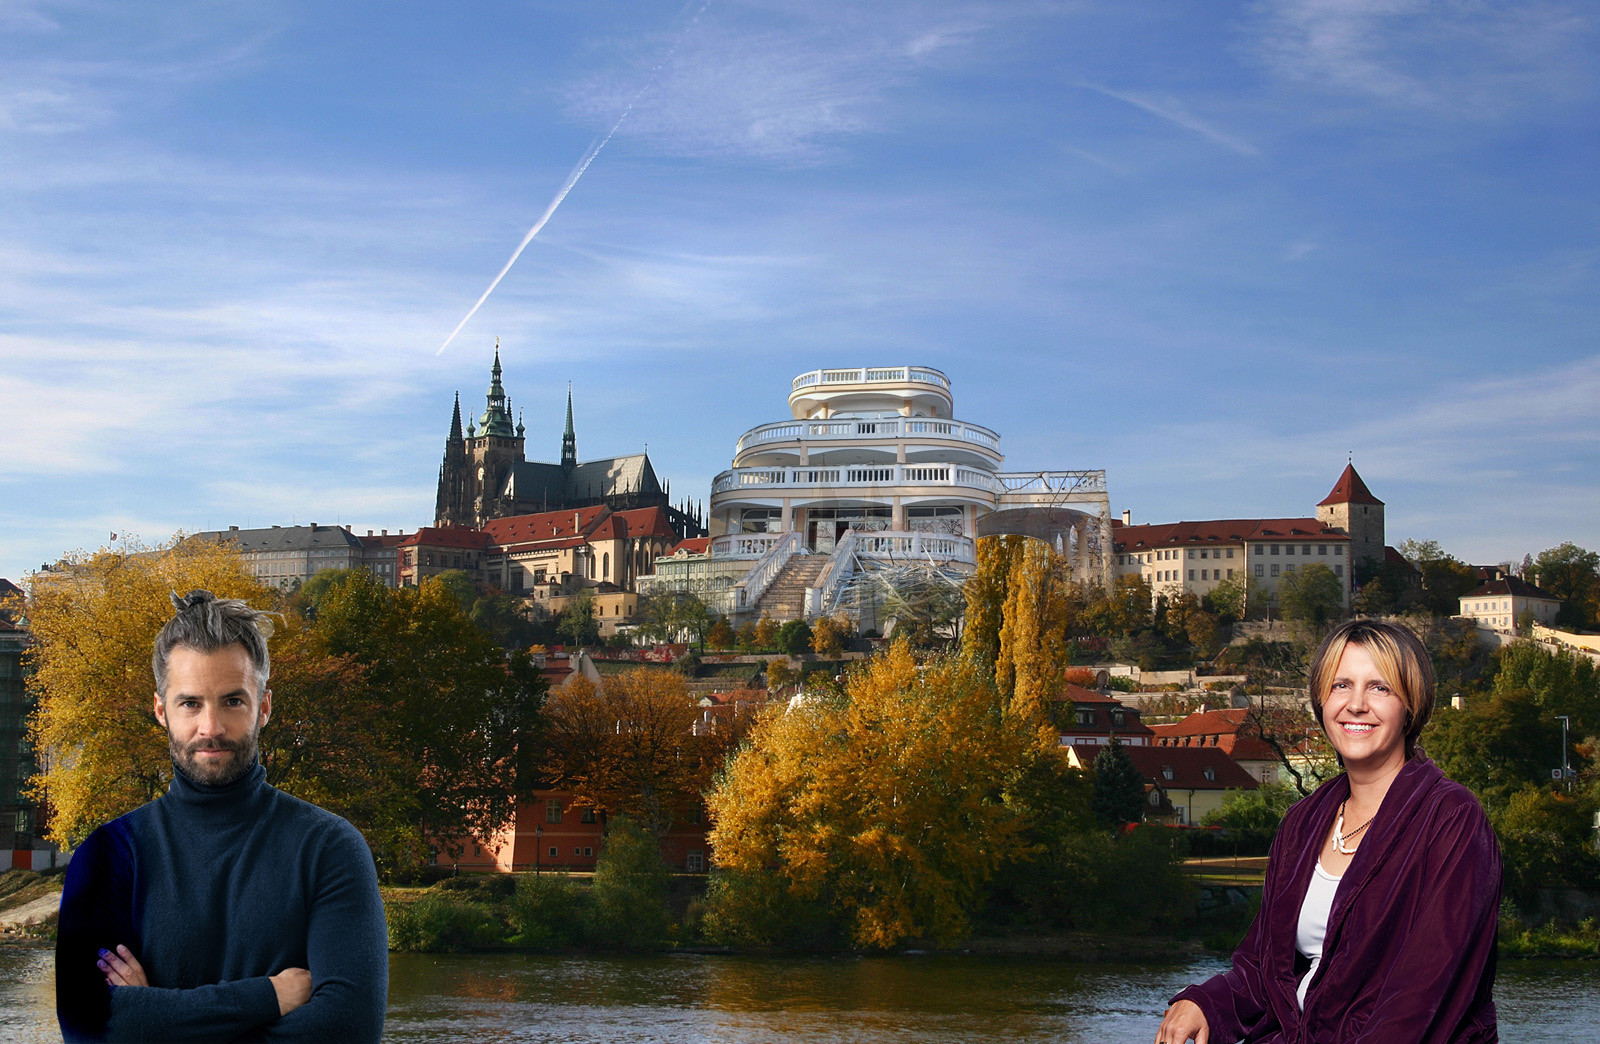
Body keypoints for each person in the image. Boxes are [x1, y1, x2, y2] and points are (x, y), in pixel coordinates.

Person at [56, 590, 388, 1043]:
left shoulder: (329, 848)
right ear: (161, 711)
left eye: (232, 701)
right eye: (190, 703)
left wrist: (155, 1019)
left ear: (264, 707)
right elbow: (86, 1027)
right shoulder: (108, 854)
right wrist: (268, 996)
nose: (210, 727)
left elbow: (348, 1030)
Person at [1156, 618, 1500, 1044]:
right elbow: (1267, 969)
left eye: (1380, 687)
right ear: (1321, 700)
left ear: (1411, 704)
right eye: (1341, 685)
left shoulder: (1451, 819)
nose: (1356, 704)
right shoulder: (1304, 821)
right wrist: (1205, 1001)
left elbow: (1426, 992)